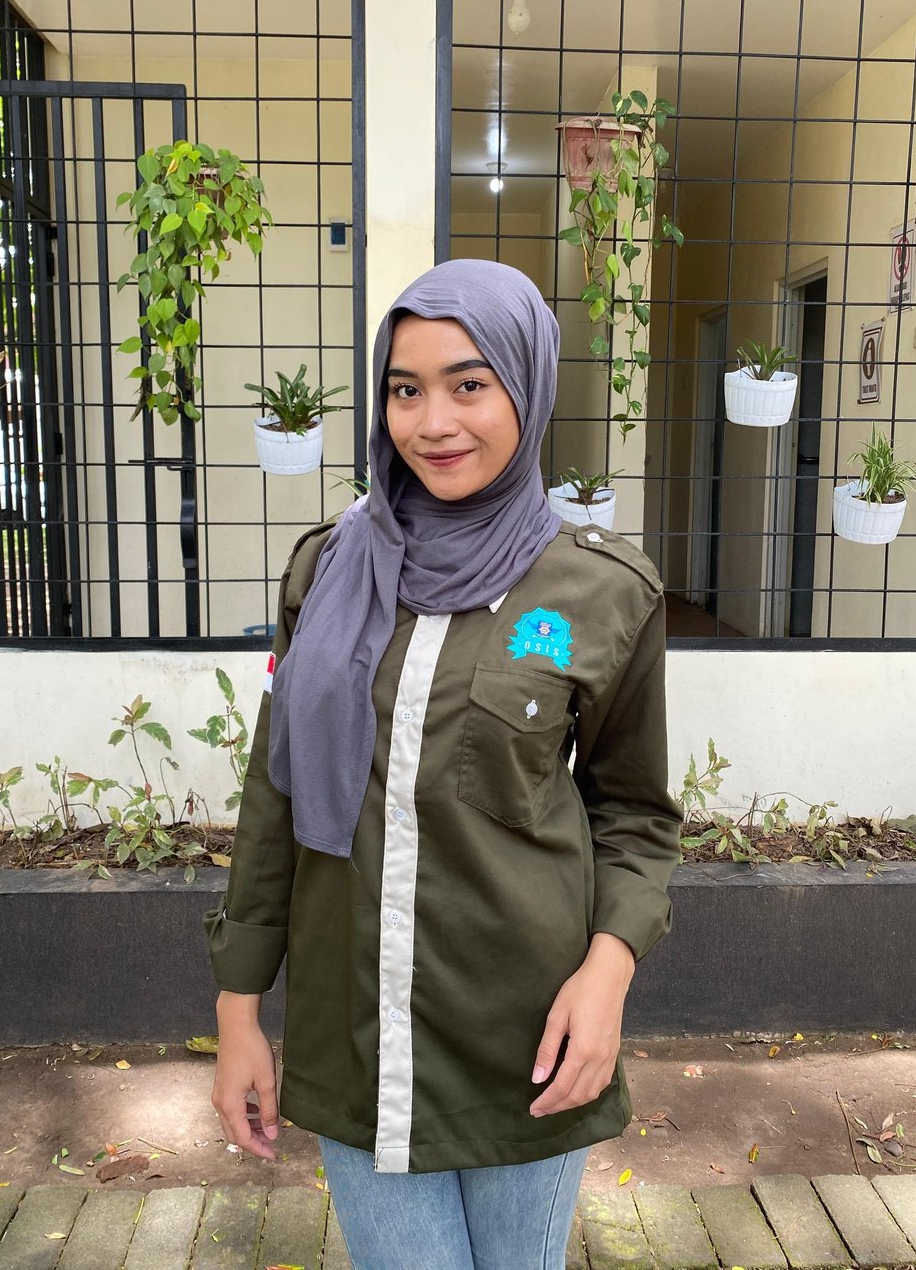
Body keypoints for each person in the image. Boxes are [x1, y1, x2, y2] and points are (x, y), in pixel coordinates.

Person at [204, 257, 683, 1270]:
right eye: (404, 389)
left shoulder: (601, 589)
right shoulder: (327, 569)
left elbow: (634, 814)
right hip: (355, 1029)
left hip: (527, 1037)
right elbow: (274, 791)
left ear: (528, 386)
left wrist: (608, 975)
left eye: (469, 383)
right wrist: (238, 1007)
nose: (433, 422)